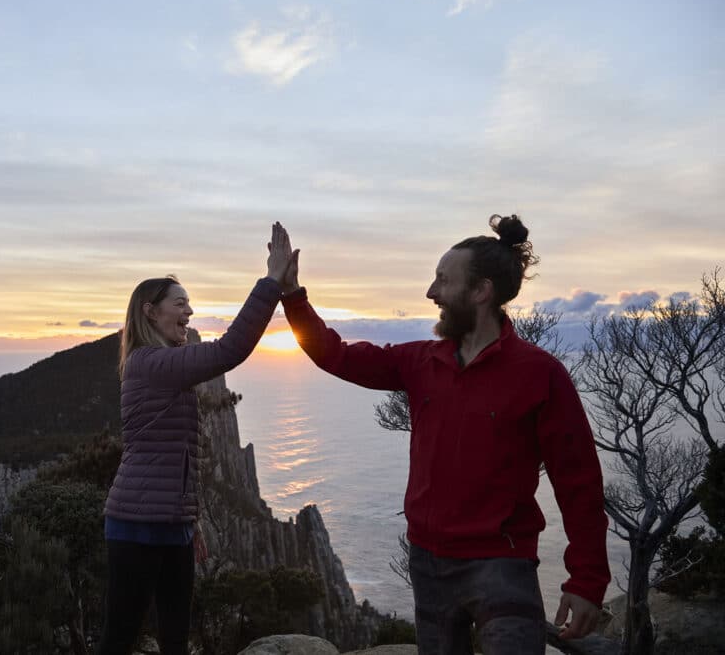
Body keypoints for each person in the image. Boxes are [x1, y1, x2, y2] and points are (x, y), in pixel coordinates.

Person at [277, 216, 610, 654]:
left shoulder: (540, 375)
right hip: (429, 563)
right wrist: (291, 296)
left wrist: (586, 579)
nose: (430, 292)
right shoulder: (420, 362)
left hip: (503, 565)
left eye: (442, 281)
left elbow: (578, 480)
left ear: (480, 291)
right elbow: (336, 355)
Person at [97, 222, 297, 655]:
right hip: (135, 525)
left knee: (175, 638)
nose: (189, 312)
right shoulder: (148, 362)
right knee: (119, 638)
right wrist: (270, 284)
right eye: (180, 304)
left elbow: (175, 454)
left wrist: (191, 518)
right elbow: (229, 351)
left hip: (173, 524)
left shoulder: (162, 363)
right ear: (151, 312)